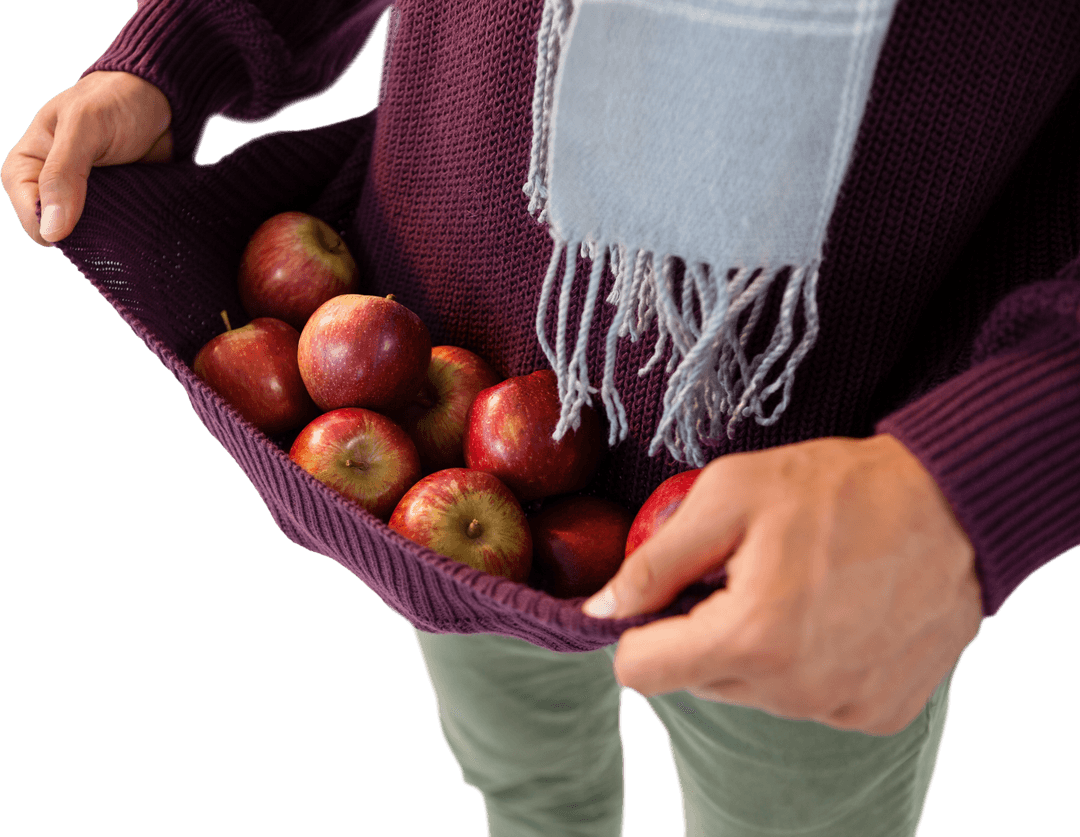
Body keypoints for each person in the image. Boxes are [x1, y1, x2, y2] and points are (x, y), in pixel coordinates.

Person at [3, 1, 1078, 835]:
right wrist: (187, 44)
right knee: (515, 762)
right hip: (435, 396)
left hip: (833, 507)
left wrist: (991, 466)